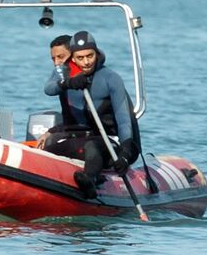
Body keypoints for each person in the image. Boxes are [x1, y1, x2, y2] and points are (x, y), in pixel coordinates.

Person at [43, 31, 141, 199]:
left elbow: (124, 120)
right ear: (72, 57)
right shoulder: (63, 72)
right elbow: (49, 89)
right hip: (75, 138)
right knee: (49, 148)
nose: (86, 62)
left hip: (106, 141)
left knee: (92, 147)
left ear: (96, 53)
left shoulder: (111, 78)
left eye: (90, 56)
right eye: (80, 58)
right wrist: (68, 83)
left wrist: (125, 154)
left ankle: (91, 181)